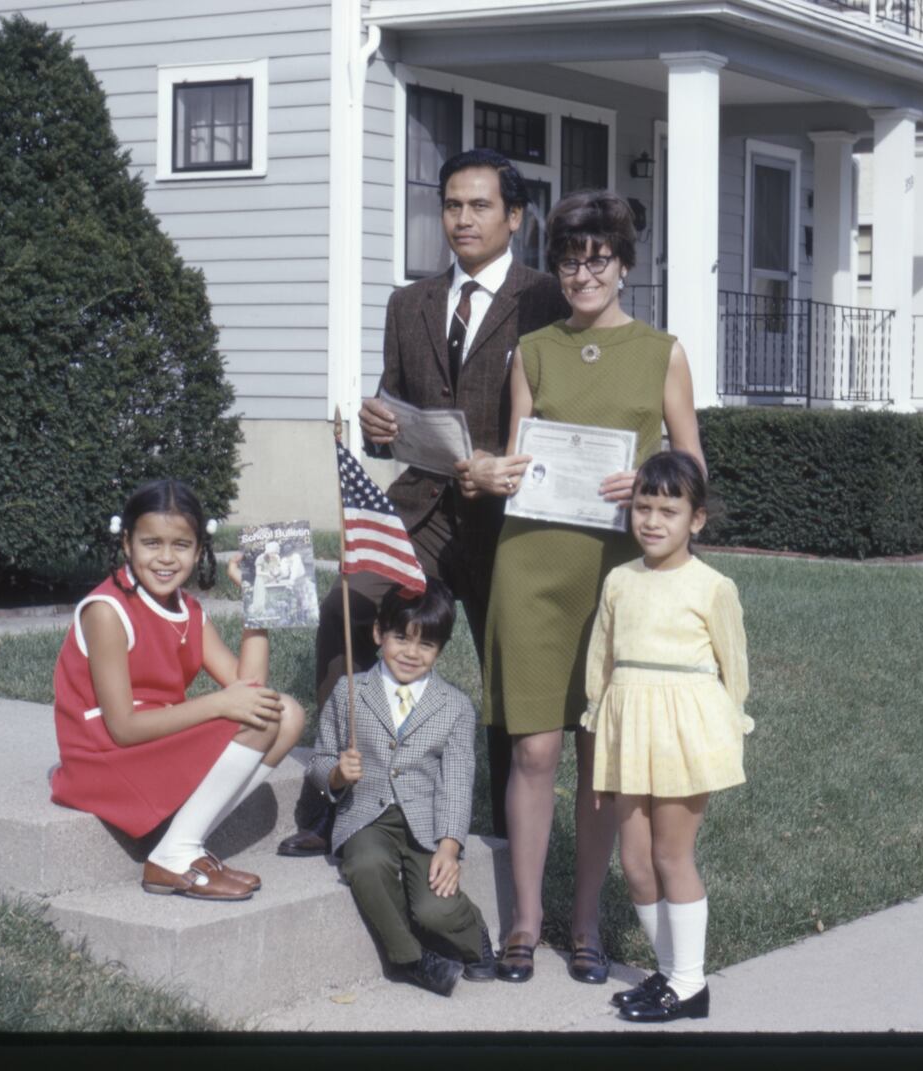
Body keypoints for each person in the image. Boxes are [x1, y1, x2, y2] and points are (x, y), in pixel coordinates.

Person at [277, 148, 570, 856]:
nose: (462, 219)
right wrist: (381, 424)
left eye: (479, 206)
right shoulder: (408, 303)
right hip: (421, 511)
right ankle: (336, 796)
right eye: (451, 205)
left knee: (510, 660)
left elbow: (564, 421)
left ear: (516, 217)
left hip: (508, 517)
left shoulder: (548, 301)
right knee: (348, 604)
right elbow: (396, 413)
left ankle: (505, 836)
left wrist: (504, 465)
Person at [461, 189, 705, 984]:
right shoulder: (531, 351)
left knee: (601, 758)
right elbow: (515, 452)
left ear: (626, 267)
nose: (582, 272)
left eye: (598, 257)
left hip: (615, 579)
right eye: (570, 258)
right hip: (531, 566)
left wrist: (651, 481)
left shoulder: (662, 351)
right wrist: (493, 469)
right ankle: (526, 923)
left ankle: (589, 923)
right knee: (533, 749)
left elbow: (693, 464)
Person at [50, 479, 306, 900]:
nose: (166, 558)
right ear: (127, 543)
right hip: (103, 758)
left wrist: (255, 604)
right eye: (151, 543)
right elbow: (123, 728)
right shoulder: (107, 611)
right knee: (259, 713)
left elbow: (250, 687)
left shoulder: (187, 608)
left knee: (287, 712)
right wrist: (219, 704)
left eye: (181, 545)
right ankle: (174, 855)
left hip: (153, 744)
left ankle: (184, 841)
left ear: (199, 550)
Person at [583, 451, 752, 1023]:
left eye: (668, 511)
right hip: (629, 731)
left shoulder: (712, 587)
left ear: (696, 520)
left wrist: (725, 729)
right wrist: (600, 737)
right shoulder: (619, 581)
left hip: (683, 734)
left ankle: (689, 984)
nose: (652, 522)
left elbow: (735, 670)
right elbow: (601, 667)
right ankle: (671, 973)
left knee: (669, 854)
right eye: (642, 509)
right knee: (633, 860)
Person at [307, 580, 497, 995]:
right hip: (366, 817)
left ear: (442, 649)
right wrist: (337, 774)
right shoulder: (349, 692)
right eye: (400, 639)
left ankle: (473, 934)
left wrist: (449, 846)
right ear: (378, 633)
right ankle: (411, 960)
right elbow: (319, 764)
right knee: (366, 865)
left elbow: (457, 783)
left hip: (425, 823)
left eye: (426, 645)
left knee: (435, 909)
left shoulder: (455, 706)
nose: (411, 653)